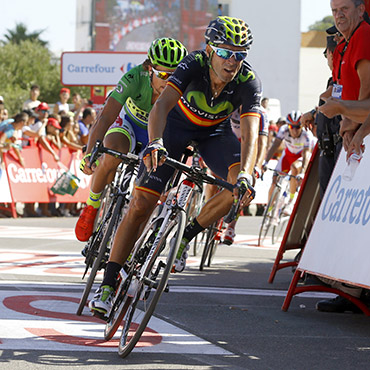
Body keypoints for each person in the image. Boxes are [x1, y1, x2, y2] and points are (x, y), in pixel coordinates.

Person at [86, 16, 262, 318]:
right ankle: (108, 283)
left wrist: (246, 171)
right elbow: (161, 106)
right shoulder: (192, 64)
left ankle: (185, 237)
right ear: (209, 50)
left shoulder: (248, 81)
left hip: (214, 135)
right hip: (174, 129)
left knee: (240, 189)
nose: (233, 61)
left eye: (240, 54)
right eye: (226, 52)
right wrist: (154, 142)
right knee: (141, 203)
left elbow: (251, 131)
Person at [76, 37, 188, 244]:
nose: (168, 81)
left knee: (146, 196)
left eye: (174, 76)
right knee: (111, 151)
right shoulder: (135, 77)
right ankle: (91, 206)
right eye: (162, 74)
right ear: (149, 68)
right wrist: (90, 153)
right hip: (129, 125)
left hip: (157, 137)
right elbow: (105, 117)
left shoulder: (184, 88)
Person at [314, 0, 370, 314]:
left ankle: (353, 288)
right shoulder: (342, 45)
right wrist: (346, 125)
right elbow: (340, 92)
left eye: (345, 8)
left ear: (361, 10)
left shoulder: (362, 37)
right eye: (335, 10)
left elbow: (365, 99)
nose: (338, 15)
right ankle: (350, 289)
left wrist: (354, 129)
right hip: (349, 136)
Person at [223, 105, 268, 244]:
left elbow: (262, 143)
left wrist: (258, 166)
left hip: (247, 147)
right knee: (214, 175)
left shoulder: (261, 113)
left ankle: (231, 226)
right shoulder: (230, 105)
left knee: (246, 183)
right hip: (228, 143)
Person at [262, 111, 312, 219]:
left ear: (302, 126)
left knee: (294, 168)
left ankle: (291, 200)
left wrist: (302, 172)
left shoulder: (306, 135)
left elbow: (307, 154)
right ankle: (269, 207)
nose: (294, 130)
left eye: (297, 127)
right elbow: (275, 145)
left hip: (300, 157)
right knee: (274, 179)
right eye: (291, 126)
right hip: (287, 156)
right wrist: (265, 161)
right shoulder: (283, 129)